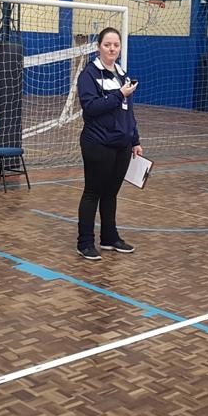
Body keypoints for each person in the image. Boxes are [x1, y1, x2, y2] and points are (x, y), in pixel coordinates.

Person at [75, 27, 142, 260]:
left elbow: (128, 111)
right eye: (107, 45)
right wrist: (119, 95)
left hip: (121, 145)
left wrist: (135, 139)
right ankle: (84, 242)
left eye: (116, 45)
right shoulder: (89, 75)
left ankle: (109, 237)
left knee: (111, 193)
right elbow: (91, 107)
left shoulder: (122, 74)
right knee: (93, 192)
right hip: (97, 143)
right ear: (98, 47)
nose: (112, 49)